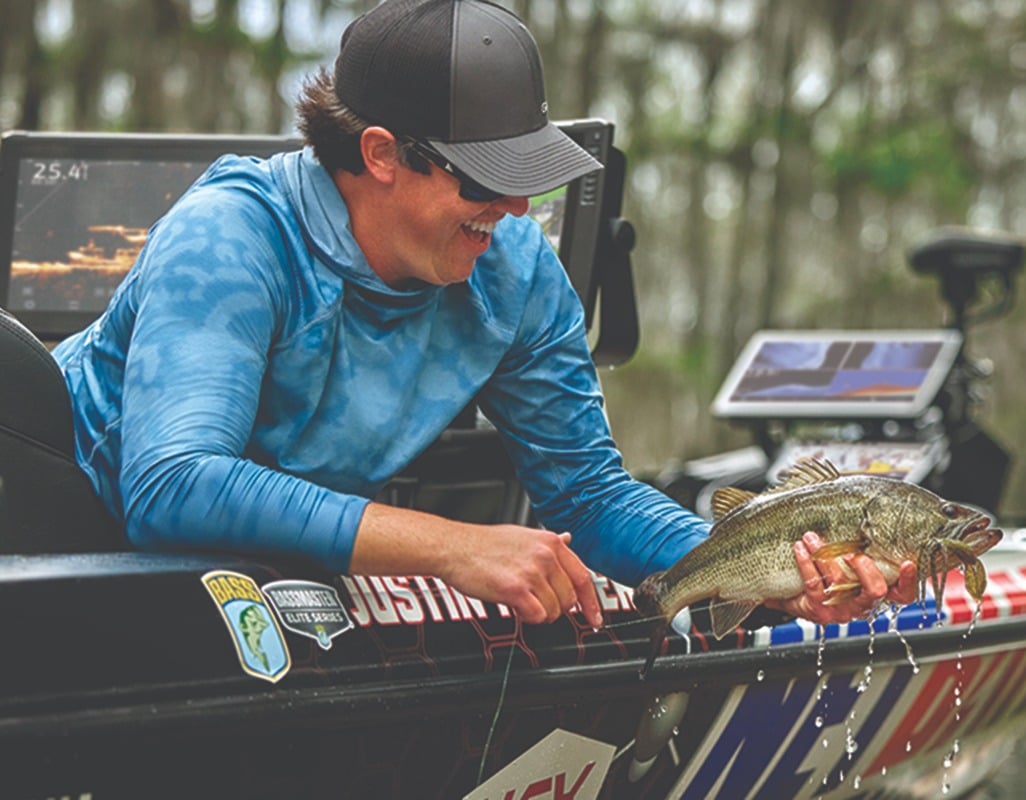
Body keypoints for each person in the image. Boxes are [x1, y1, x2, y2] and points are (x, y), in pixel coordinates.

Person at [52, 0, 916, 632]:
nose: (513, 206)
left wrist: (765, 572)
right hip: (57, 535)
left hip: (250, 589)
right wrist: (454, 548)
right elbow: (172, 487)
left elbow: (589, 496)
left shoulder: (515, 267)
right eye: (484, 178)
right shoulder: (232, 235)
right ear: (381, 153)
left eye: (528, 173)